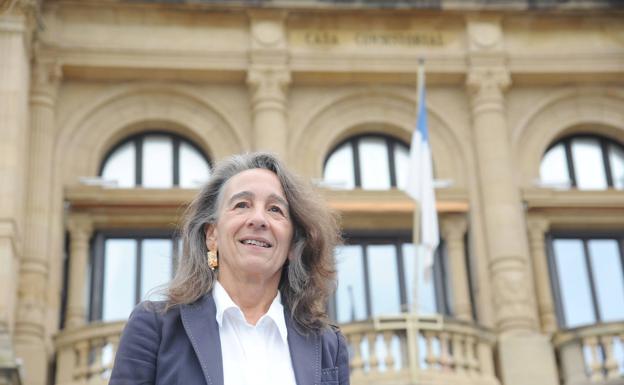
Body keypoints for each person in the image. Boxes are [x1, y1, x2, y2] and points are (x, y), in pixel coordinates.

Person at [109, 152, 350, 385]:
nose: (258, 219)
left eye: (275, 209)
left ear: (292, 244)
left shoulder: (328, 345)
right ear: (212, 235)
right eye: (242, 205)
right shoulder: (155, 327)